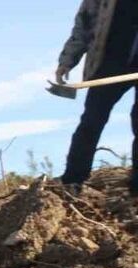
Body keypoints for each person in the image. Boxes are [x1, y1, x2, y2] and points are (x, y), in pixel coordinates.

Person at [57, 0, 138, 194]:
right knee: (91, 121)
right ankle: (73, 180)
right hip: (109, 62)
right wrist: (67, 61)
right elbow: (84, 25)